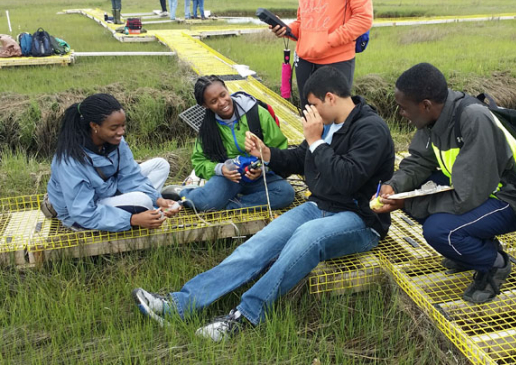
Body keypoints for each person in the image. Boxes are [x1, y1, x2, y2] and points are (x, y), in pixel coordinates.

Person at [133, 66, 395, 341]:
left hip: (360, 219)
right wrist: (267, 153)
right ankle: (180, 304)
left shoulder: (370, 129)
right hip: (318, 206)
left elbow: (346, 179)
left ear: (330, 98)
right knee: (257, 246)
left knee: (307, 237)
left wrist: (316, 141)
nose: (311, 113)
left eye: (313, 105)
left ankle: (244, 315)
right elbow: (298, 160)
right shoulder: (329, 124)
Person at [373, 63, 516, 304]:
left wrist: (405, 204)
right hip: (478, 190)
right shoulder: (432, 121)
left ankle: (495, 264)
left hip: (509, 198)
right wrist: (396, 187)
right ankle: (469, 250)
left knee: (439, 230)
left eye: (403, 108)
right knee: (417, 195)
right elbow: (419, 162)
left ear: (425, 105)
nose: (402, 114)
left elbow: (466, 196)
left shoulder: (473, 119)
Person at [46, 93, 181, 232]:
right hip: (81, 214)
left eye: (123, 125)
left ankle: (147, 209)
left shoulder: (115, 142)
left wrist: (158, 200)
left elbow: (130, 176)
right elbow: (83, 212)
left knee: (160, 165)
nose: (121, 132)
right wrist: (132, 220)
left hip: (106, 191)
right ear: (94, 126)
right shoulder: (70, 161)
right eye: (114, 127)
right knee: (143, 201)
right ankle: (142, 211)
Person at [161, 75, 295, 212]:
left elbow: (280, 149)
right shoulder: (208, 128)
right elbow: (199, 162)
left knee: (285, 193)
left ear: (227, 89)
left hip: (260, 177)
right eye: (213, 101)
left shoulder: (257, 113)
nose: (222, 102)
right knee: (205, 203)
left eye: (223, 95)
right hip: (229, 179)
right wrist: (221, 169)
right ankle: (185, 193)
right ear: (205, 105)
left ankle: (230, 205)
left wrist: (263, 169)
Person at [269, 0, 373, 111]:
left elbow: (363, 18)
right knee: (308, 116)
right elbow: (302, 24)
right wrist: (286, 29)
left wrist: (329, 41)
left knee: (336, 120)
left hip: (337, 60)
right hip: (304, 61)